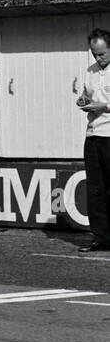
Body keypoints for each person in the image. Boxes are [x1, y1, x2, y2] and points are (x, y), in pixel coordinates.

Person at [76, 29, 110, 251]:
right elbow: (86, 95)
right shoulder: (89, 71)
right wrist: (83, 100)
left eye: (102, 54)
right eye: (94, 54)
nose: (98, 58)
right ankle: (100, 236)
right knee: (95, 189)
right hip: (93, 134)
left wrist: (105, 106)